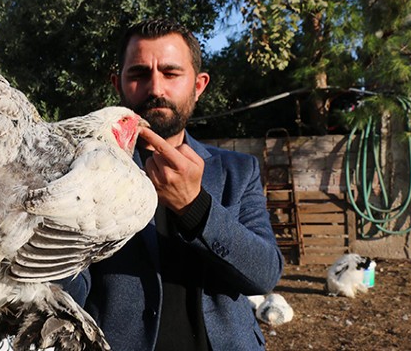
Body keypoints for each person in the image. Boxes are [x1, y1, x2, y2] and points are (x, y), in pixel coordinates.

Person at [59, 19, 284, 350]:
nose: (155, 89)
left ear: (199, 85)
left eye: (171, 73)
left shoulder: (239, 171)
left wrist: (195, 208)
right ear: (117, 84)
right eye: (138, 74)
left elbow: (264, 274)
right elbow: (67, 291)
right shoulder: (84, 172)